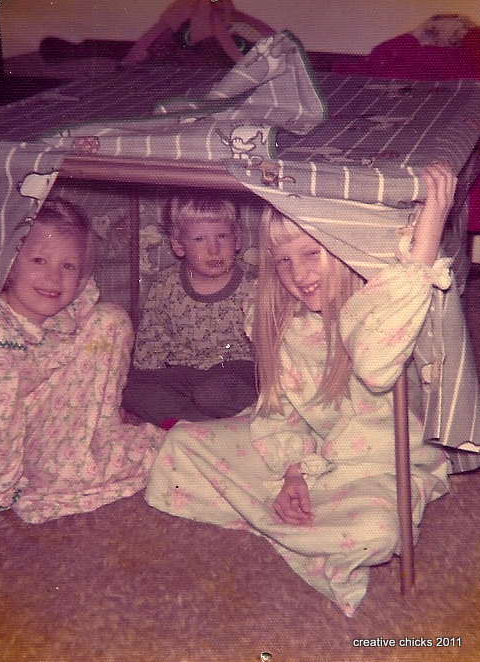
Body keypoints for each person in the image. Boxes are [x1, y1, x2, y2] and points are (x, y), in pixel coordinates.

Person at [145, 162, 455, 616]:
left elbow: (375, 368)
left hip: (374, 467)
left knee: (378, 533)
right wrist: (293, 473)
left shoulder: (378, 305)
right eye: (283, 261)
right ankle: (303, 526)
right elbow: (278, 411)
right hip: (310, 456)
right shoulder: (283, 323)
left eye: (312, 254)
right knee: (181, 445)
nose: (298, 274)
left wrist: (424, 247)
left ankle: (289, 523)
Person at [0, 199, 165, 526]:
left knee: (111, 319)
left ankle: (106, 427)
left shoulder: (67, 310)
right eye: (39, 260)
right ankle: (121, 449)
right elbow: (3, 421)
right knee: (142, 454)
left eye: (68, 266)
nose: (53, 277)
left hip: (64, 412)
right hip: (22, 443)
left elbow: (91, 325)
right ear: (11, 264)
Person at [122, 194, 257, 427]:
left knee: (214, 394)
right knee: (128, 387)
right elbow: (152, 342)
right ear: (178, 246)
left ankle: (225, 419)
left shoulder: (253, 286)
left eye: (222, 236)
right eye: (199, 239)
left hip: (235, 371)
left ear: (237, 240)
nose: (213, 249)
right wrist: (145, 377)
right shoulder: (166, 285)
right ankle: (197, 423)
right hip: (184, 373)